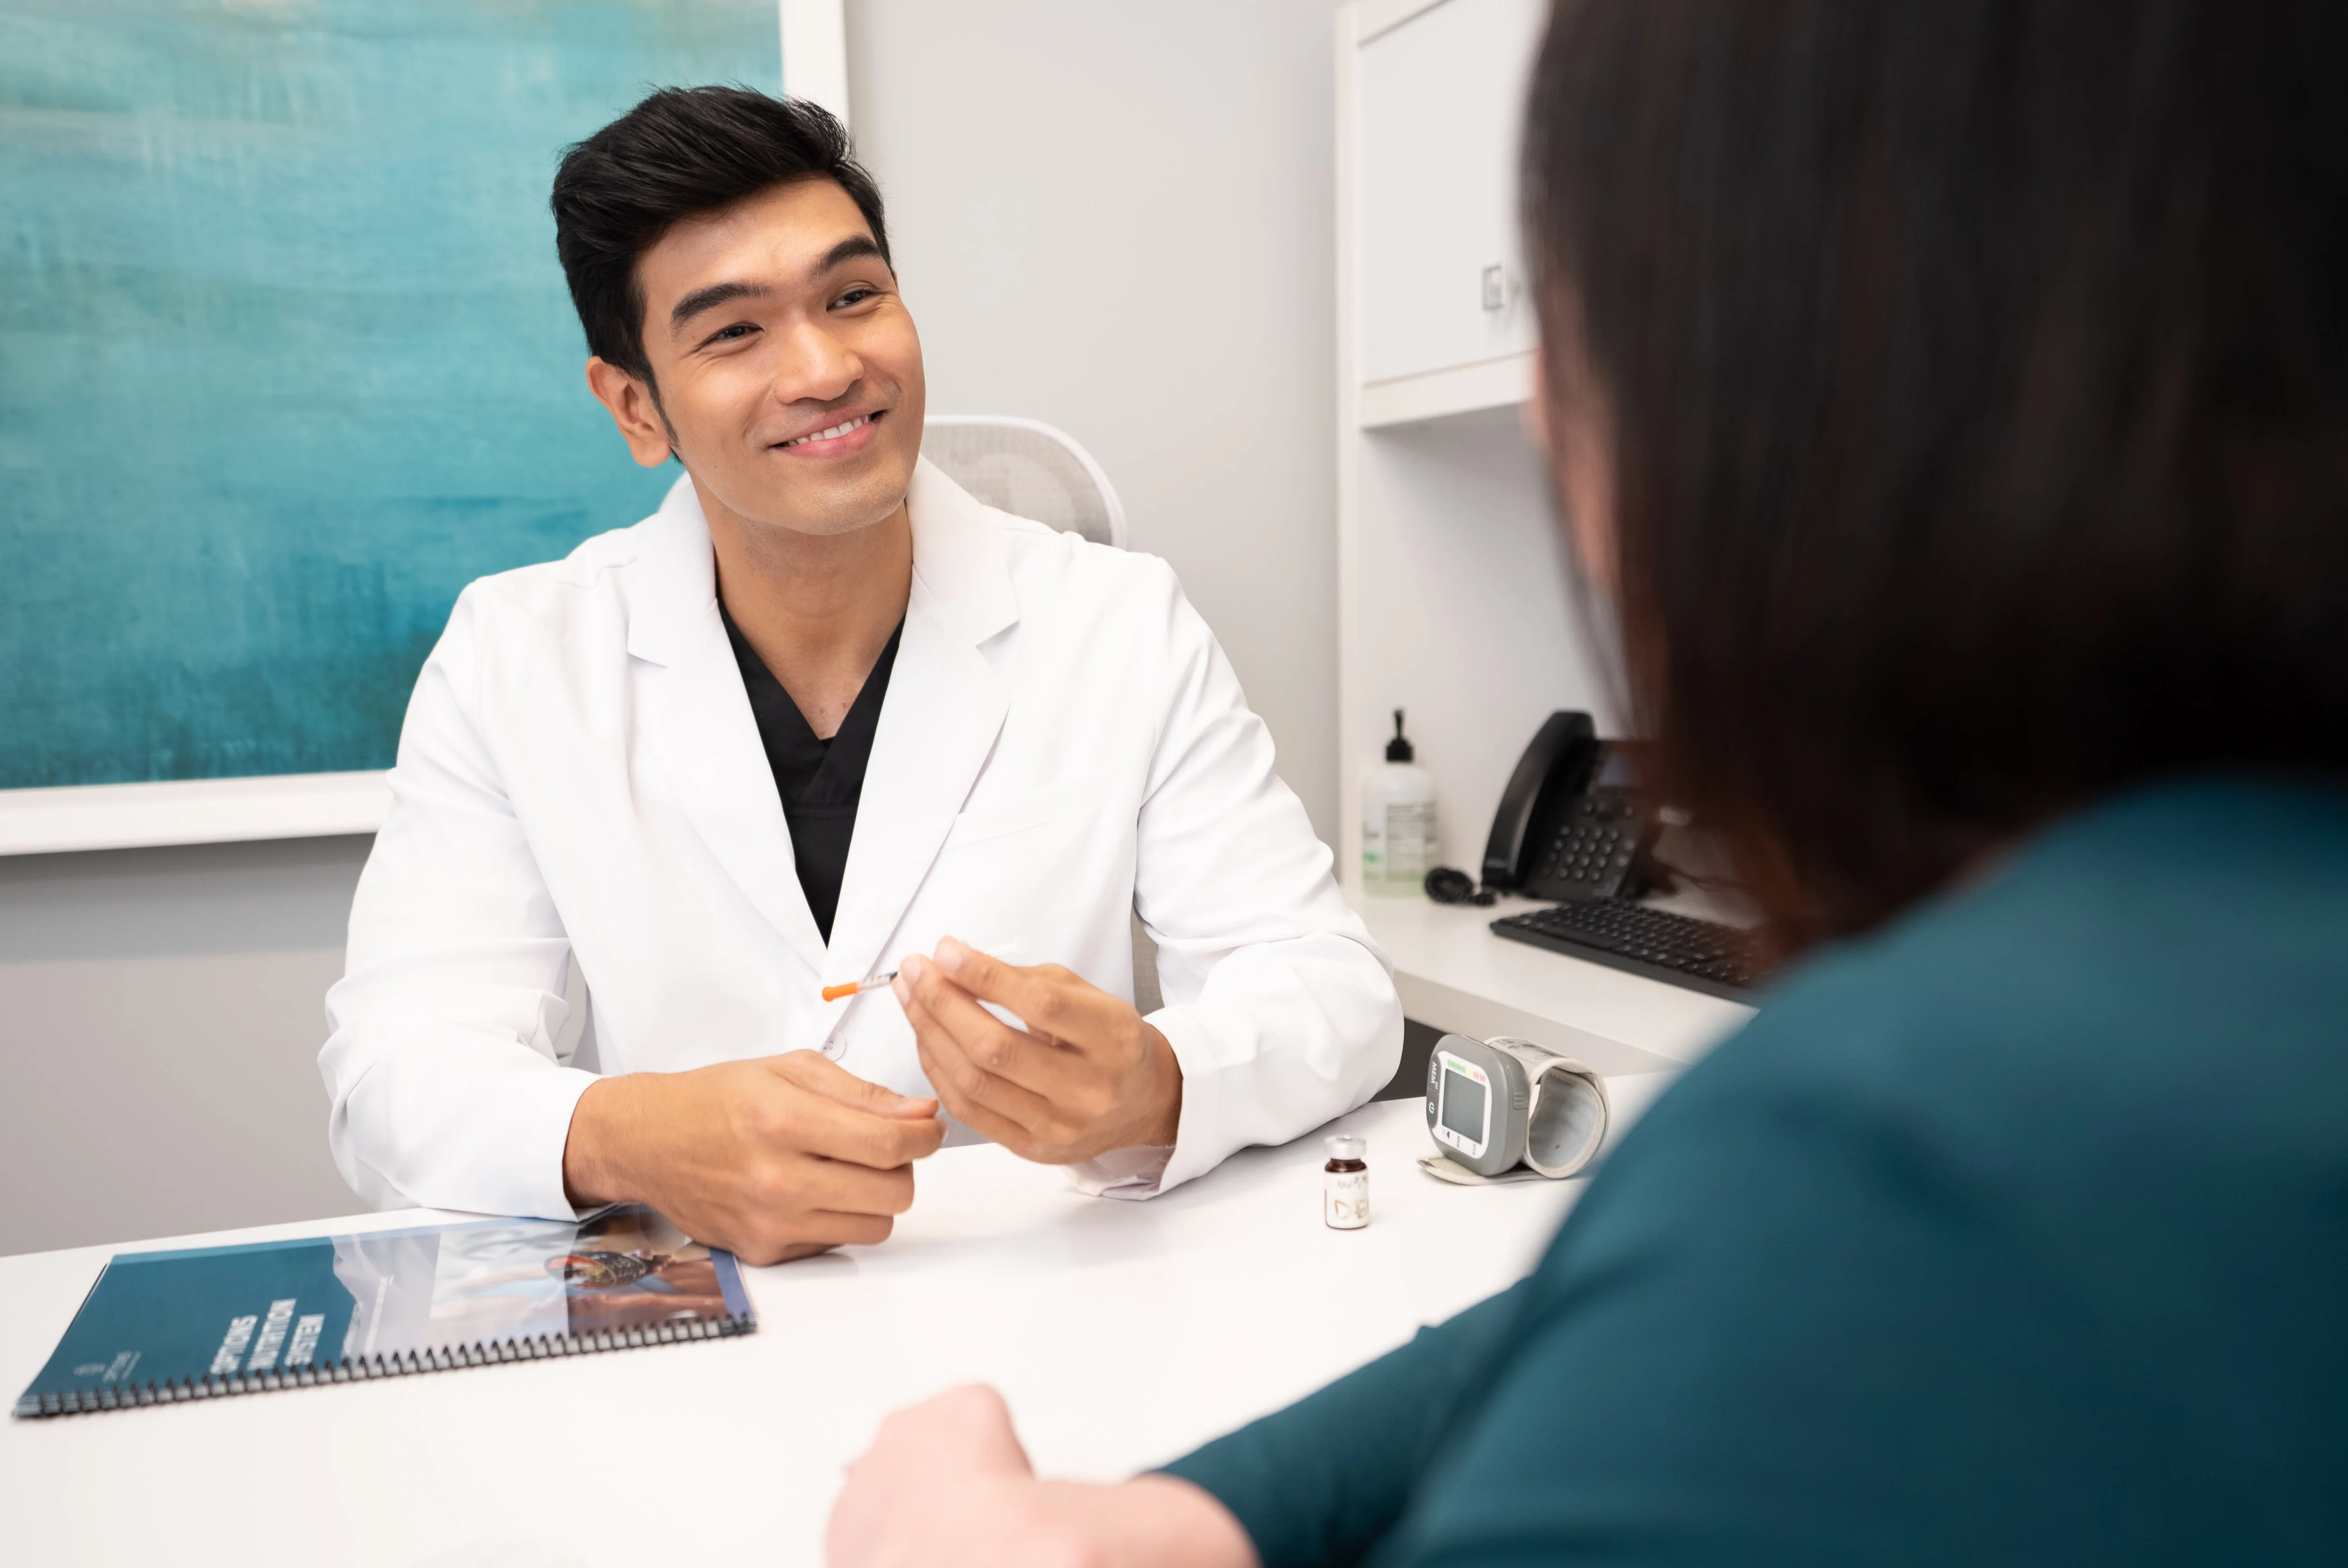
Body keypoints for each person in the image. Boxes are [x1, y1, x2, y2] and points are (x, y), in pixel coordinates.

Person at [826, 0, 2348, 1561]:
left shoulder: (1908, 1140)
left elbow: (1718, 1250)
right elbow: (1665, 1313)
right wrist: (1204, 1514)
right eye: (731, 329)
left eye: (1580, 312)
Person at [319, 88, 1402, 1265]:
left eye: (853, 297)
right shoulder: (516, 658)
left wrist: (1161, 1080)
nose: (827, 368)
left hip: (1050, 1304)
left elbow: (1331, 991)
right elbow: (390, 1074)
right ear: (636, 406)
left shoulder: (1114, 620)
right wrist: (626, 1134)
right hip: (700, 1329)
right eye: (733, 332)